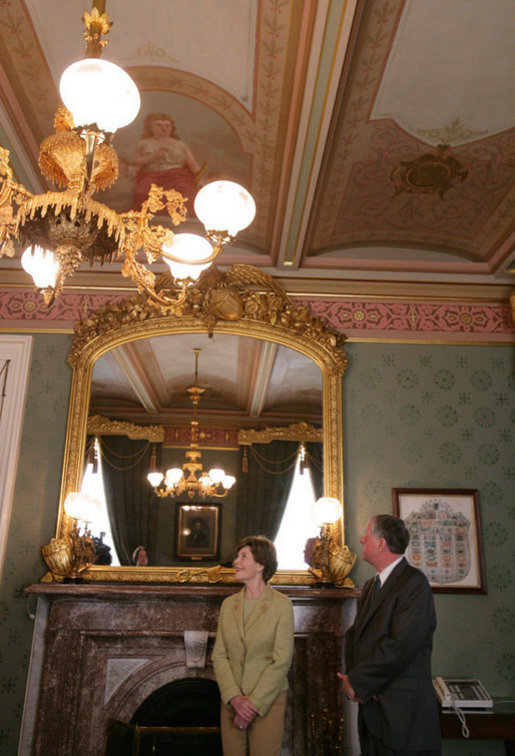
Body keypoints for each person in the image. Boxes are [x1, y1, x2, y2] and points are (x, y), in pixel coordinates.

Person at [339, 514, 441, 755]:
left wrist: (357, 681)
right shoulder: (370, 585)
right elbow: (355, 637)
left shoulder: (414, 583)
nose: (362, 540)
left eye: (367, 535)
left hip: (403, 714)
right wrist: (354, 681)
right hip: (373, 709)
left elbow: (401, 645)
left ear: (382, 543)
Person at [213, 535, 294, 756]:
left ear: (260, 565)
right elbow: (219, 655)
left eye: (243, 557)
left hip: (268, 700)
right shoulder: (228, 605)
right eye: (237, 557)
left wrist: (252, 704)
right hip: (232, 699)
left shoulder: (282, 605)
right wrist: (235, 698)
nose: (236, 562)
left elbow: (282, 660)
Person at [130, 112, 203, 215]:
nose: (163, 128)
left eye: (167, 125)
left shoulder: (180, 145)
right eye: (158, 125)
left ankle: (182, 220)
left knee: (184, 188)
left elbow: (193, 165)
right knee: (141, 191)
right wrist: (153, 157)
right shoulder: (145, 143)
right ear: (150, 127)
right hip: (152, 176)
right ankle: (144, 221)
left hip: (176, 176)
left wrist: (202, 180)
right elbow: (135, 161)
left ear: (171, 127)